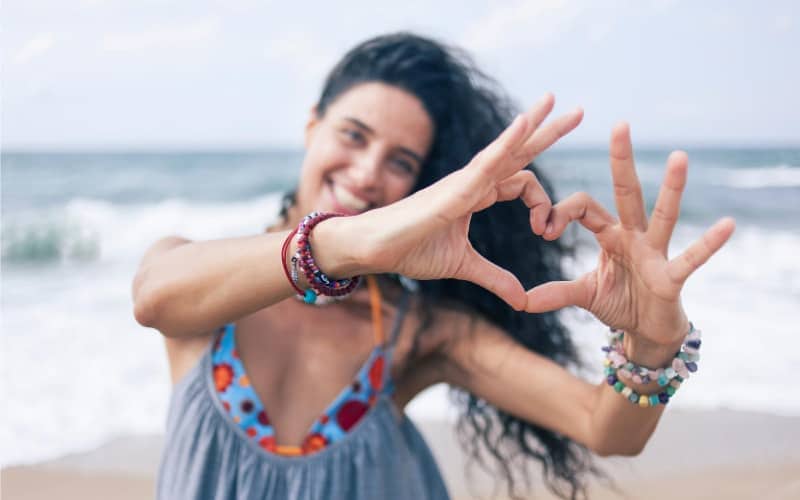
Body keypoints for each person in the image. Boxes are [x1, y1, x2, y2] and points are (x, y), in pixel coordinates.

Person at [132, 32, 735, 500]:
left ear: (420, 185)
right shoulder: (203, 280)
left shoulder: (417, 330)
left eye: (400, 161)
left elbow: (608, 431)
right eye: (352, 135)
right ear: (311, 126)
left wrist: (653, 341)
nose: (367, 173)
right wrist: (346, 245)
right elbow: (153, 298)